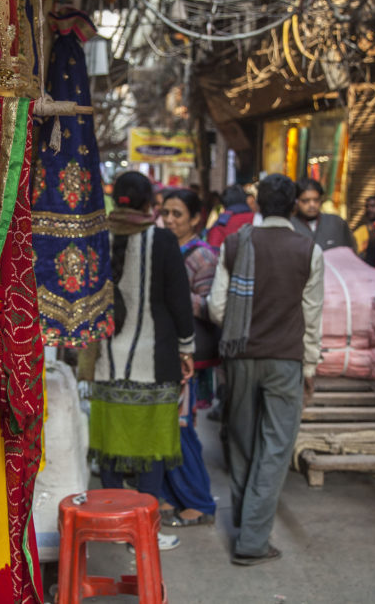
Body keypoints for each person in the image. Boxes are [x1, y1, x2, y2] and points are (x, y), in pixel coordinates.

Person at [208, 174, 324, 566]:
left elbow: (217, 308)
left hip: (240, 357)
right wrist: (309, 366)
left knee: (241, 443)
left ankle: (246, 524)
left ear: (257, 206)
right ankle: (253, 540)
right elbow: (312, 315)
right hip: (286, 360)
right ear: (293, 207)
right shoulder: (308, 249)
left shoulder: (235, 244)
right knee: (276, 447)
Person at [91, 171, 195, 552]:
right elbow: (180, 303)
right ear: (150, 202)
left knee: (111, 446)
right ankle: (142, 535)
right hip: (157, 358)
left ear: (114, 198)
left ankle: (112, 526)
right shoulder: (164, 240)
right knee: (151, 447)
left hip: (105, 359)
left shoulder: (95, 236)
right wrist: (187, 349)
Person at [159, 189, 219, 527]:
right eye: (165, 212)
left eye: (177, 214)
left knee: (182, 427)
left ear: (195, 218)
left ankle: (198, 500)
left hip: (188, 356)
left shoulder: (202, 257)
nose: (169, 220)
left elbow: (210, 305)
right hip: (169, 352)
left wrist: (171, 294)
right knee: (168, 425)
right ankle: (172, 495)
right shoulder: (169, 248)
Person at [291, 178, 356, 250]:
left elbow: (350, 252)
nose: (312, 205)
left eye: (316, 200)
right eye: (306, 201)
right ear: (296, 201)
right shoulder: (289, 225)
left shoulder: (336, 223)